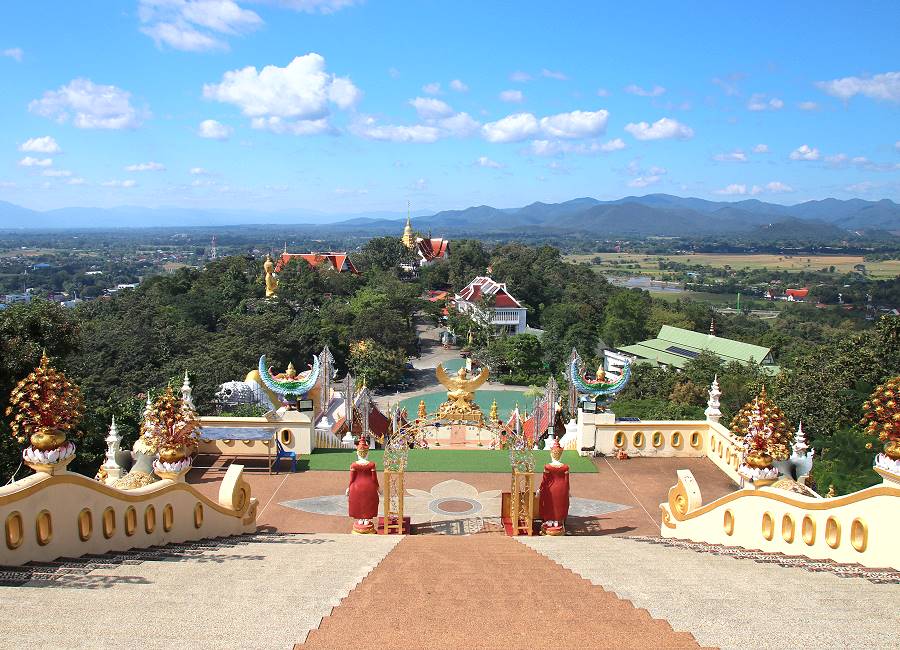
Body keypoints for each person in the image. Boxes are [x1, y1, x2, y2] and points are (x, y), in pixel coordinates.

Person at [346, 438, 380, 534]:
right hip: (370, 486)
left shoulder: (354, 465)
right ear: (367, 453)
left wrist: (348, 488)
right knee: (369, 502)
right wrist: (378, 488)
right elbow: (374, 478)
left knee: (358, 502)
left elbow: (351, 479)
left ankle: (360, 518)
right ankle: (367, 519)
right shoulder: (371, 465)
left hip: (356, 487)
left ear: (357, 453)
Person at [538, 438, 570, 536]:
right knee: (559, 504)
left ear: (551, 454)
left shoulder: (548, 467)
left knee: (549, 504)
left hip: (550, 488)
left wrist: (540, 489)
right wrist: (567, 490)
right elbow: (567, 481)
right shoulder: (565, 467)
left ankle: (549, 521)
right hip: (562, 488)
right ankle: (557, 521)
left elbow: (544, 480)